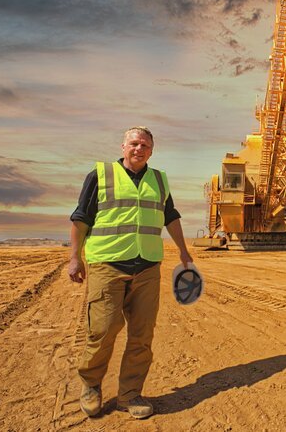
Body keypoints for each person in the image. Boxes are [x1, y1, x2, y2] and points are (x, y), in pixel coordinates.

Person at [68, 126, 193, 419]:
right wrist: (75, 257)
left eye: (146, 145)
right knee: (103, 329)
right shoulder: (100, 175)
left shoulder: (159, 180)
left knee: (142, 335)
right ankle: (91, 385)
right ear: (124, 146)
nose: (140, 149)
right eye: (135, 143)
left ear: (152, 150)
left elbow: (169, 217)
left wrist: (184, 251)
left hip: (147, 266)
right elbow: (81, 217)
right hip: (107, 264)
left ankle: (130, 394)